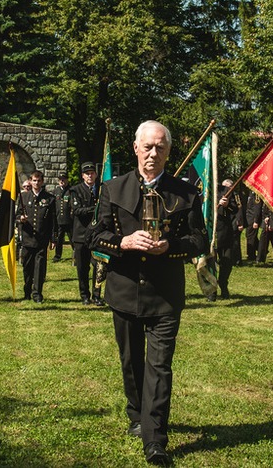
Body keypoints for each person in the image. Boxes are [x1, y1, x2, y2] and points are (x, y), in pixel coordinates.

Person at [89, 120, 207, 465]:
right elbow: (94, 237)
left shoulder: (185, 193)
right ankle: (136, 413)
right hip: (123, 290)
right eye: (148, 146)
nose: (153, 153)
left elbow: (199, 240)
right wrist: (122, 242)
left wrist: (170, 246)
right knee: (131, 362)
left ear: (168, 152)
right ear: (136, 148)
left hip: (165, 295)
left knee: (159, 365)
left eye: (160, 147)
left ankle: (155, 440)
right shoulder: (113, 188)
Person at [16, 170, 56, 303]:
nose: (36, 183)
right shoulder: (23, 197)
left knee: (40, 268)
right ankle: (27, 290)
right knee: (27, 267)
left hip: (41, 239)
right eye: (34, 180)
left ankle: (37, 293)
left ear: (42, 182)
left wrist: (53, 238)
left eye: (39, 180)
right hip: (27, 238)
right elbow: (16, 215)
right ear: (30, 181)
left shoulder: (49, 198)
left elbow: (53, 221)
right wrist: (20, 218)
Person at [70, 161, 104, 306]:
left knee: (99, 267)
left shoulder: (102, 189)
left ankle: (97, 295)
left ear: (96, 174)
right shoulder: (75, 190)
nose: (90, 176)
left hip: (97, 234)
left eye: (92, 173)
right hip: (81, 235)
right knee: (83, 268)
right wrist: (95, 209)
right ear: (83, 176)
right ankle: (85, 295)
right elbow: (77, 211)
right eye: (87, 174)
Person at [215, 179, 242, 298]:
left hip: (224, 232)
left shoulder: (227, 191)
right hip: (209, 232)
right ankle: (211, 290)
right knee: (209, 262)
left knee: (226, 261)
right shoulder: (202, 190)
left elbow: (236, 208)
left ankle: (223, 284)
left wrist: (226, 205)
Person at [50, 174, 71, 262]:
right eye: (60, 180)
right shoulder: (56, 191)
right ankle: (57, 255)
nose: (62, 181)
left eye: (63, 179)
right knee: (59, 239)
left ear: (67, 180)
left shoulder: (71, 190)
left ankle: (77, 255)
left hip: (69, 220)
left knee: (73, 239)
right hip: (59, 220)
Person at [243, 191, 264, 265]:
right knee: (249, 236)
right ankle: (261, 249)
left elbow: (257, 208)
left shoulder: (256, 194)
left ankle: (251, 255)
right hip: (249, 218)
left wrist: (256, 220)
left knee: (251, 237)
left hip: (252, 219)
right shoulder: (250, 193)